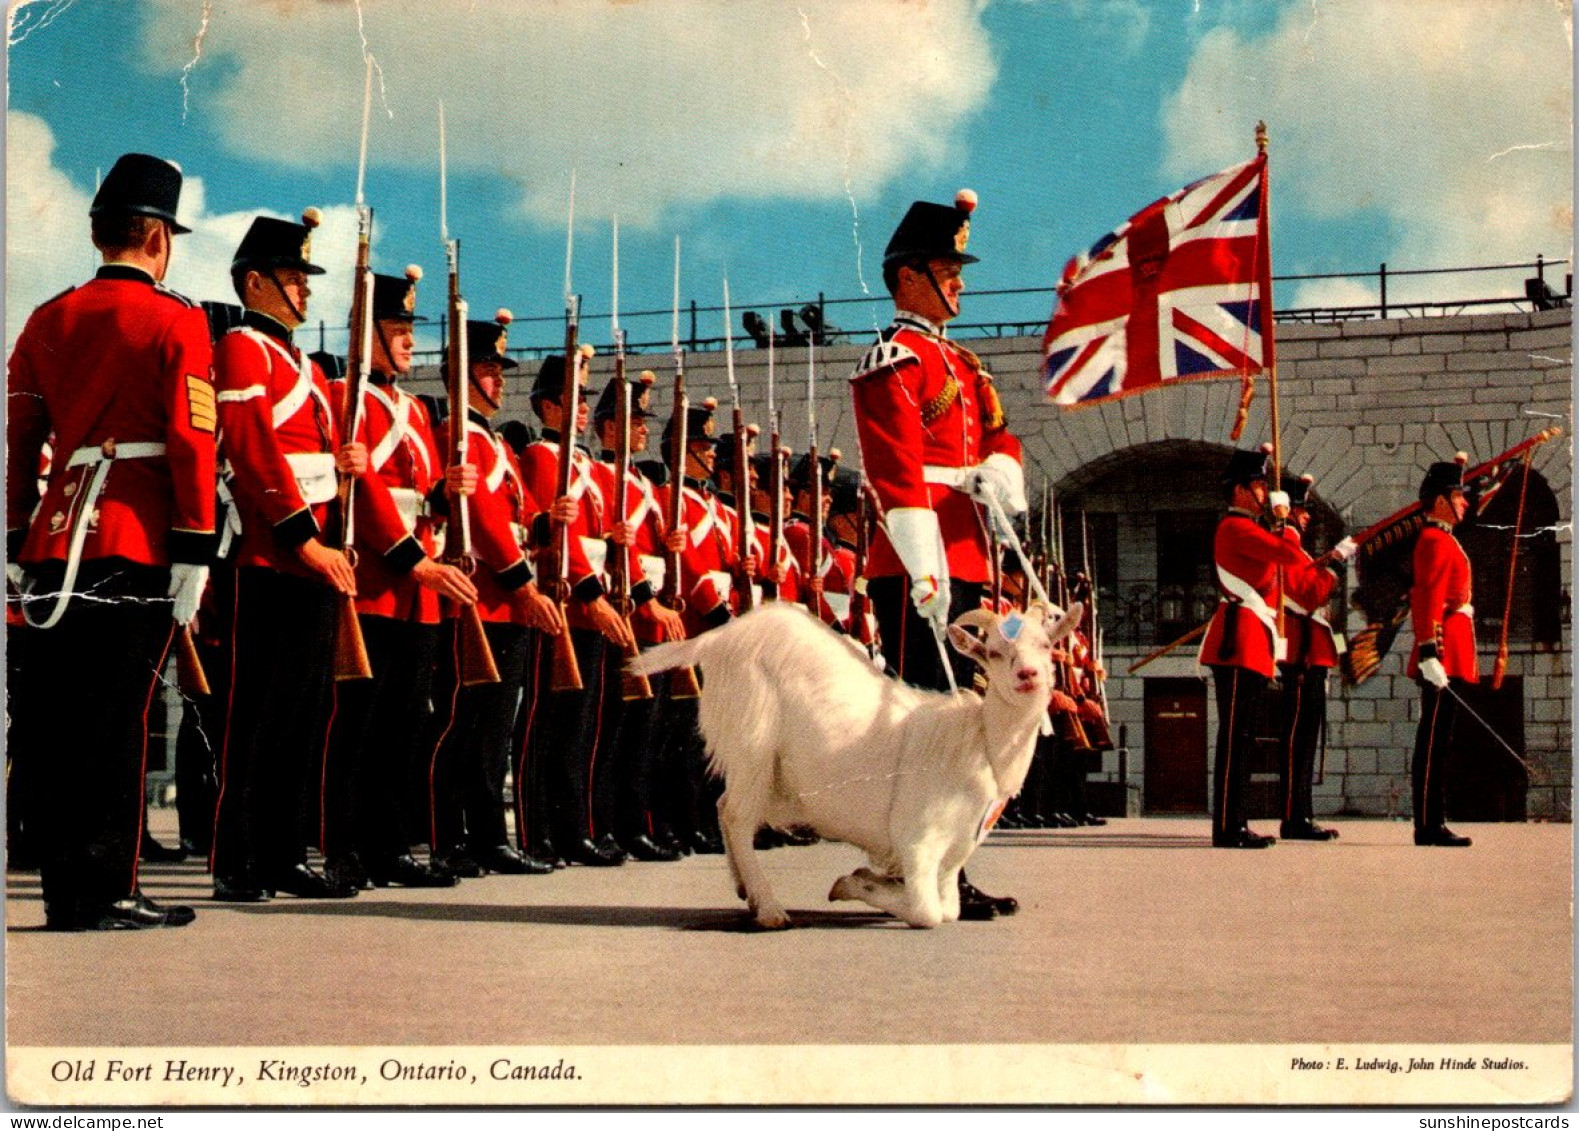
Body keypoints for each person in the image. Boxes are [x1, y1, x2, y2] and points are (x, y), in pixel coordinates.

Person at [6, 153, 213, 930]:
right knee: (117, 716)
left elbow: (20, 437)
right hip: (135, 534)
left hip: (55, 543)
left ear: (100, 234)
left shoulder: (47, 317)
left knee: (59, 718)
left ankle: (67, 887)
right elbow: (193, 438)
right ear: (158, 237)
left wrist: (14, 534)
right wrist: (194, 546)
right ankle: (105, 886)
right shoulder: (176, 318)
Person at [849, 188, 1026, 920]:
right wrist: (927, 567)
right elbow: (892, 469)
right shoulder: (893, 357)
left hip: (969, 559)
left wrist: (1001, 469)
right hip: (918, 560)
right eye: (948, 266)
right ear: (906, 276)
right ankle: (899, 864)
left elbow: (1001, 434)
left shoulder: (964, 363)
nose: (959, 279)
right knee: (925, 723)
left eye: (958, 267)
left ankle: (948, 867)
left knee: (970, 723)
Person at [209, 209, 371, 901]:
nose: (306, 290)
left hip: (313, 555)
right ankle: (239, 858)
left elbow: (301, 454)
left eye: (307, 278)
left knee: (303, 715)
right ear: (254, 280)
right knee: (260, 715)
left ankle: (282, 850)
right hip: (272, 556)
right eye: (293, 277)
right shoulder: (244, 347)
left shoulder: (297, 361)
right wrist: (305, 537)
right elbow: (250, 449)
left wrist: (344, 464)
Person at [321, 267, 479, 890]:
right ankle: (344, 847)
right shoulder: (344, 398)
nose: (411, 342)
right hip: (379, 581)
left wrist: (447, 493)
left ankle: (389, 845)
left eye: (411, 330)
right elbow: (370, 497)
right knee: (356, 729)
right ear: (367, 336)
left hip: (419, 592)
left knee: (403, 728)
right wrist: (417, 560)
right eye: (397, 330)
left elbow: (420, 492)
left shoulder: (414, 409)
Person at [428, 312, 563, 878]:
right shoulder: (458, 435)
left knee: (494, 730)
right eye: (487, 367)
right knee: (465, 727)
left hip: (505, 599)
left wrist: (544, 524)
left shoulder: (495, 444)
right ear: (460, 373)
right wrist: (521, 583)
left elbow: (514, 514)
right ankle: (451, 835)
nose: (499, 378)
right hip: (483, 598)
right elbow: (480, 519)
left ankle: (487, 835)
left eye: (500, 368)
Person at [1198, 446, 1354, 848]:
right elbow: (1286, 553)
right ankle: (1229, 826)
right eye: (1257, 485)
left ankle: (1236, 822)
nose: (1264, 492)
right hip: (1238, 640)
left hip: (1252, 640)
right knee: (1236, 738)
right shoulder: (1234, 528)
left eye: (1264, 485)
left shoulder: (1251, 527)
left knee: (1243, 738)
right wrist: (1285, 522)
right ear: (1238, 491)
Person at [515, 353, 637, 867]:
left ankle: (571, 829)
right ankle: (536, 830)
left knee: (579, 729)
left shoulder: (584, 464)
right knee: (548, 727)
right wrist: (594, 597)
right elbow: (553, 544)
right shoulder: (544, 457)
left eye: (586, 399)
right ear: (548, 405)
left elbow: (587, 537)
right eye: (574, 398)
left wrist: (615, 543)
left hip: (592, 606)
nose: (584, 407)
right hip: (565, 609)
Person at [587, 370, 688, 862]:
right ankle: (606, 824)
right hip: (627, 611)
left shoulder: (639, 482)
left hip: (651, 610)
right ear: (609, 428)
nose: (644, 428)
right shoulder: (600, 477)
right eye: (634, 420)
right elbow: (612, 551)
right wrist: (648, 598)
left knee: (645, 730)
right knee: (615, 731)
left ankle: (635, 823)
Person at [1408, 455, 1477, 847]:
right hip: (1441, 648)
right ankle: (1428, 824)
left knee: (1440, 739)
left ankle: (1434, 820)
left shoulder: (1445, 538)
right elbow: (1427, 598)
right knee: (1433, 740)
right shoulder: (1434, 540)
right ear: (1439, 501)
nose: (1465, 502)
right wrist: (1429, 652)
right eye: (1458, 495)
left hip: (1451, 643)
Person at [1276, 474, 1345, 841]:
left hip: (1313, 653)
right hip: (1300, 656)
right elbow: (1306, 597)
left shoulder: (1299, 550)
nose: (1305, 517)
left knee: (1306, 742)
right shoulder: (1285, 544)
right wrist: (1333, 570)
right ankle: (1293, 816)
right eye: (1300, 510)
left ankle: (1302, 813)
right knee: (1298, 742)